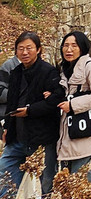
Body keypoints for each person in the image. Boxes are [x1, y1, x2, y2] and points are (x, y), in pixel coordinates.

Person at [0, 31, 62, 197]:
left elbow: (55, 102)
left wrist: (30, 110)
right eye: (20, 49)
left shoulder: (49, 72)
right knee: (4, 173)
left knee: (46, 180)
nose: (25, 52)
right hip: (17, 136)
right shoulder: (16, 72)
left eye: (29, 48)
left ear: (39, 49)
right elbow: (11, 103)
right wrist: (7, 127)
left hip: (41, 138)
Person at [55, 31, 91, 187]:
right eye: (65, 45)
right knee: (70, 174)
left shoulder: (89, 66)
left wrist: (72, 105)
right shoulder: (64, 68)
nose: (69, 50)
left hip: (84, 130)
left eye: (74, 45)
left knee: (78, 174)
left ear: (82, 47)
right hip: (68, 131)